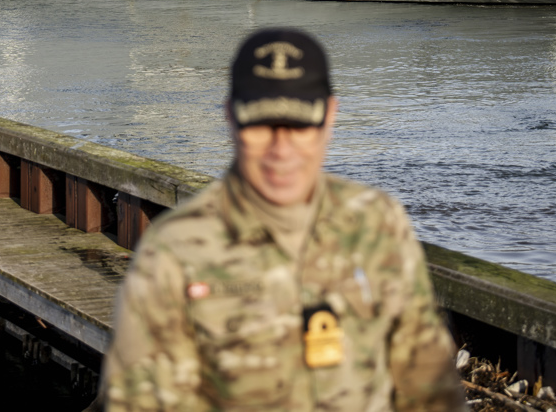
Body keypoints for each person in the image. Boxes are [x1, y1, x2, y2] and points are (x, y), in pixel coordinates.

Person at [99, 29, 466, 412]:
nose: (281, 149)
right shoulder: (175, 250)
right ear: (229, 117)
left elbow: (429, 383)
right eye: (260, 125)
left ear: (330, 116)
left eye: (299, 125)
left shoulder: (376, 222)